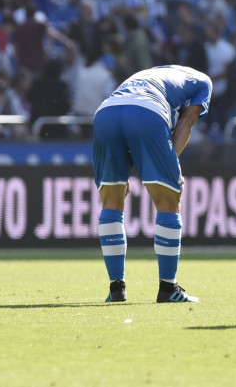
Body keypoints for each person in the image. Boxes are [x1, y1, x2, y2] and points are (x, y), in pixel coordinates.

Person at [93, 64, 212, 303]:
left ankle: (116, 289)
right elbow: (186, 122)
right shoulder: (202, 82)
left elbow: (124, 109)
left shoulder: (144, 73)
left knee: (111, 200)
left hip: (105, 113)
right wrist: (169, 167)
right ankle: (168, 289)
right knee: (169, 198)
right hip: (147, 111)